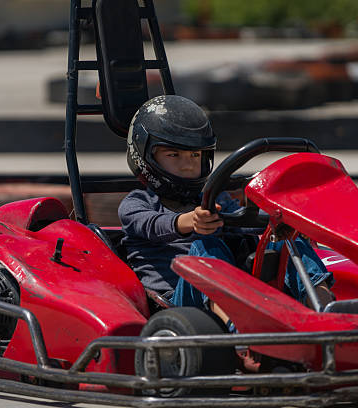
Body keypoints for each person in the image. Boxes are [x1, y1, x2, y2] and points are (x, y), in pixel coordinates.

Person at [118, 95, 333, 314]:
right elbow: (154, 225)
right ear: (144, 156)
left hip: (237, 289)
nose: (187, 165)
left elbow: (245, 220)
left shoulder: (214, 199)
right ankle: (234, 323)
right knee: (206, 247)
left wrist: (282, 220)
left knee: (287, 241)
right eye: (174, 155)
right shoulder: (137, 203)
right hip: (177, 302)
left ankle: (325, 308)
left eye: (195, 155)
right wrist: (190, 221)